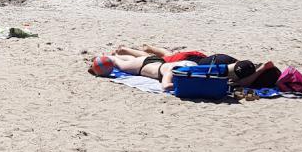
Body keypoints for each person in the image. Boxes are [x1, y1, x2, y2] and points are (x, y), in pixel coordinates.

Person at [108, 44, 282, 89]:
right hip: (198, 61)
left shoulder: (245, 66)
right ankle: (129, 50)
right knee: (159, 60)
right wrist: (262, 70)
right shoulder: (246, 70)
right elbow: (244, 83)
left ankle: (150, 49)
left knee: (166, 57)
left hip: (205, 59)